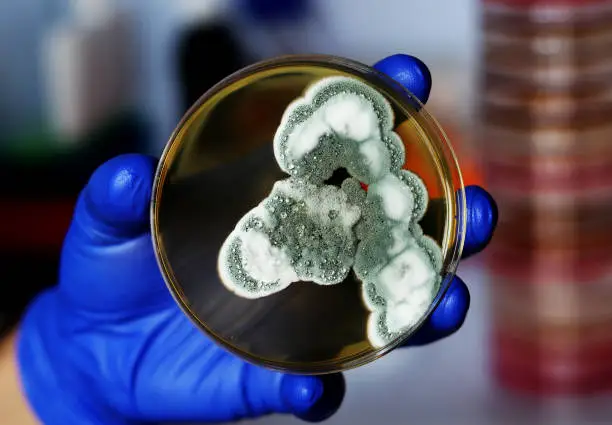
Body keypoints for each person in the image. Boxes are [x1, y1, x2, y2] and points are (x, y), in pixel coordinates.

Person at [0, 54, 497, 424]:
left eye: (268, 243)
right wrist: (58, 383)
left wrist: (23, 390)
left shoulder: (326, 158)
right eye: (279, 254)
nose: (280, 244)